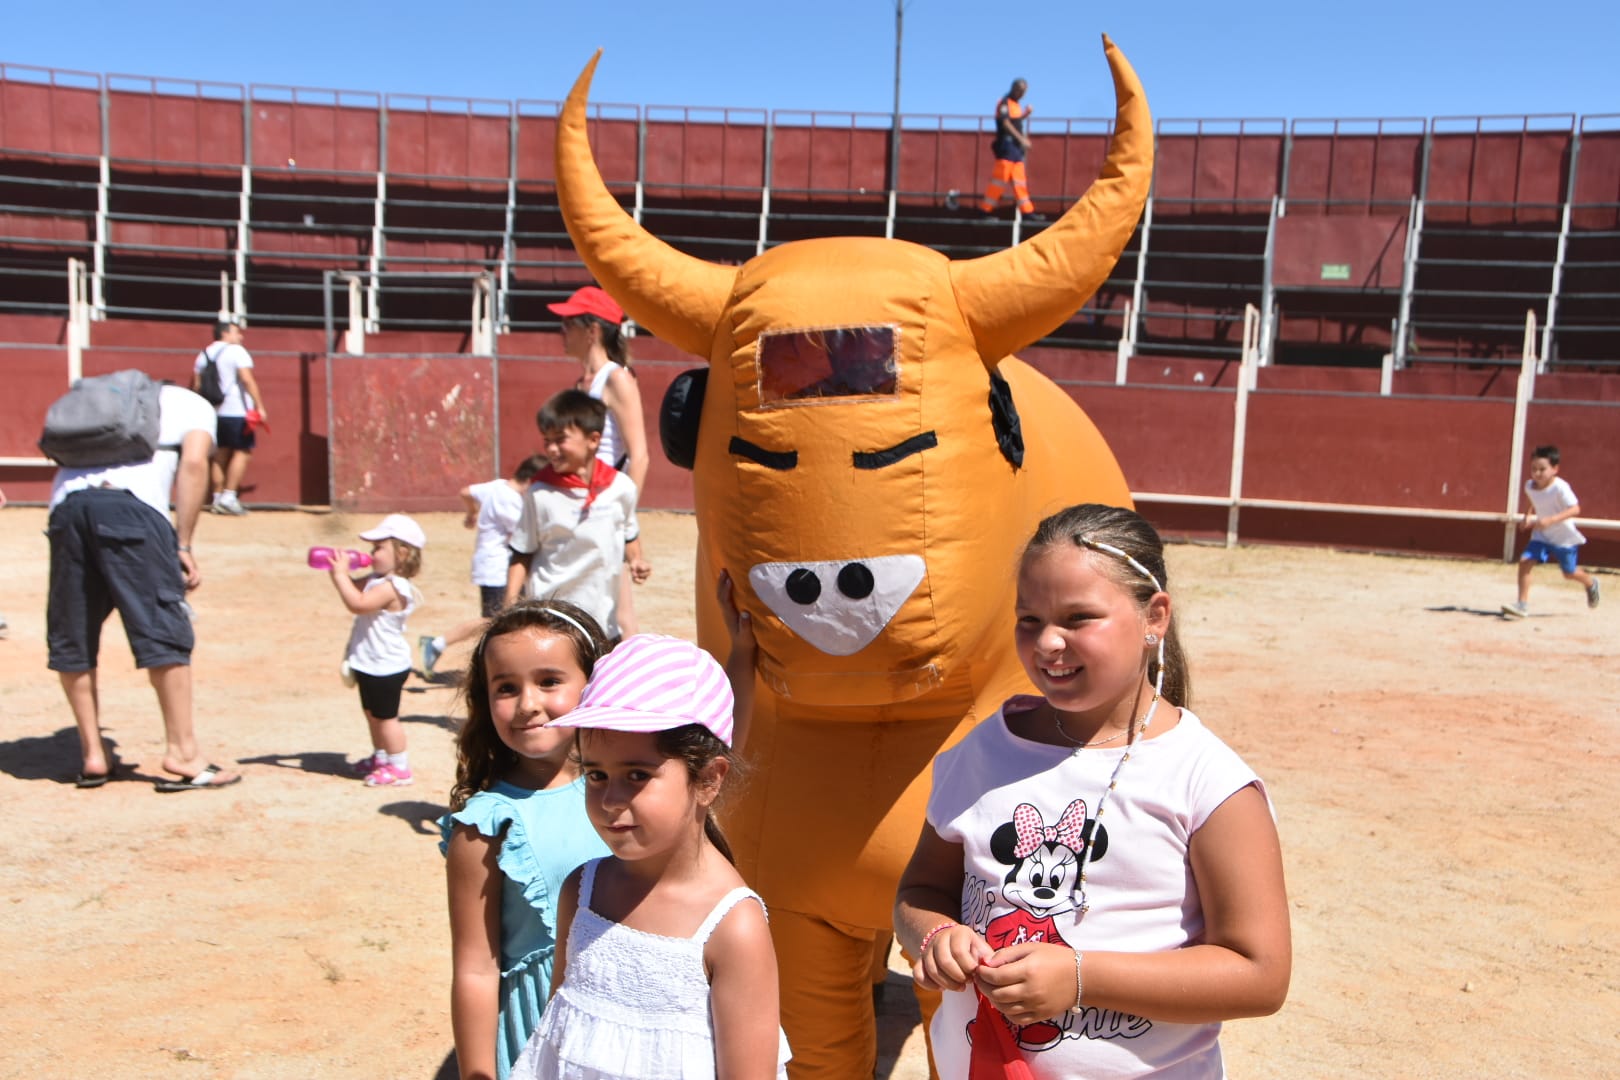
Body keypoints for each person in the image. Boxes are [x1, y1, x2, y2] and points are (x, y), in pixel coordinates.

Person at [894, 503, 1290, 1078]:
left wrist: (1080, 977)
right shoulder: (982, 753)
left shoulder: (1208, 783)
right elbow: (922, 887)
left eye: (1079, 618)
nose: (1048, 641)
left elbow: (1261, 974)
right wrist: (936, 934)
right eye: (1029, 619)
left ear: (1154, 617)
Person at [509, 633, 791, 1079]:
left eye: (637, 775)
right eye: (596, 774)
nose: (609, 799)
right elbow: (557, 1039)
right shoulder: (582, 892)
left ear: (710, 779)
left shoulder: (733, 927)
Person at [442, 600, 614, 1080]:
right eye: (506, 688)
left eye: (549, 681)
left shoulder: (626, 789)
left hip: (629, 1023)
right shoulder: (487, 826)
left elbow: (717, 754)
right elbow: (475, 970)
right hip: (539, 1038)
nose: (528, 704)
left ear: (594, 682)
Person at [46, 376, 243, 791]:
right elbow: (193, 465)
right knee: (162, 628)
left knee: (73, 632)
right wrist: (183, 542)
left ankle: (93, 755)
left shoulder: (105, 404)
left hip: (66, 508)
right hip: (131, 508)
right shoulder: (194, 405)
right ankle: (184, 754)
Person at [506, 390, 650, 641]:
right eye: (546, 441)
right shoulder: (539, 493)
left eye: (560, 439)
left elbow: (629, 533)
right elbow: (522, 553)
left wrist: (637, 559)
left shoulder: (621, 488)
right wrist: (508, 608)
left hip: (603, 623)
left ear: (593, 440)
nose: (551, 449)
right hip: (552, 622)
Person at [549, 285, 652, 637]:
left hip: (604, 502)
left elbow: (639, 455)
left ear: (591, 330)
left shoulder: (617, 378)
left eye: (567, 325)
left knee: (619, 611)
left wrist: (623, 516)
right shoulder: (584, 382)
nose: (561, 333)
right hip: (583, 500)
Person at [420, 454, 548, 679]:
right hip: (497, 568)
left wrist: (472, 513)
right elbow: (525, 537)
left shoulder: (497, 486)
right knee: (493, 621)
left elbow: (466, 492)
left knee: (500, 618)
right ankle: (438, 644)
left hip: (488, 563)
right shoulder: (512, 502)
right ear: (530, 481)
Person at [331, 513, 426, 786]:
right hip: (368, 662)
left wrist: (340, 576)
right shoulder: (377, 578)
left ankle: (399, 767)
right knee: (372, 715)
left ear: (402, 553)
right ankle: (381, 757)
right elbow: (353, 588)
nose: (372, 554)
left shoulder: (393, 587)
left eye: (378, 548)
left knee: (387, 719)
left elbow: (358, 603)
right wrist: (340, 572)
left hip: (386, 666)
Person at [1502, 444, 1600, 618]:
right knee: (1525, 561)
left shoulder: (1561, 487)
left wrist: (1551, 520)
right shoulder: (1530, 485)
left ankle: (1591, 583)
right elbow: (1532, 498)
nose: (1537, 473)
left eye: (1542, 469)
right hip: (1541, 536)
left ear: (1555, 469)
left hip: (1563, 538)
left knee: (1569, 573)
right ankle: (1522, 604)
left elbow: (1575, 509)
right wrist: (1528, 515)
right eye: (1534, 469)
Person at [191, 318, 267, 516]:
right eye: (236, 332)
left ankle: (217, 497)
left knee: (220, 454)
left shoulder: (204, 354)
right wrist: (259, 406)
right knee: (243, 452)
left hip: (214, 411)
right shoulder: (236, 351)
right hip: (237, 410)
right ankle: (229, 496)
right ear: (225, 333)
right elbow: (247, 379)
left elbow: (197, 385)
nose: (240, 336)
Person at [979, 78, 1037, 218]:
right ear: (1016, 88)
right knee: (1000, 178)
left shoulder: (1015, 105)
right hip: (1007, 145)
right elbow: (1005, 123)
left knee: (1019, 179)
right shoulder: (1004, 103)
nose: (1023, 95)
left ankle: (1027, 212)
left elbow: (1014, 121)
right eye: (1022, 91)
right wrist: (1021, 139)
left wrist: (1025, 115)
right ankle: (984, 211)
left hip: (1016, 148)